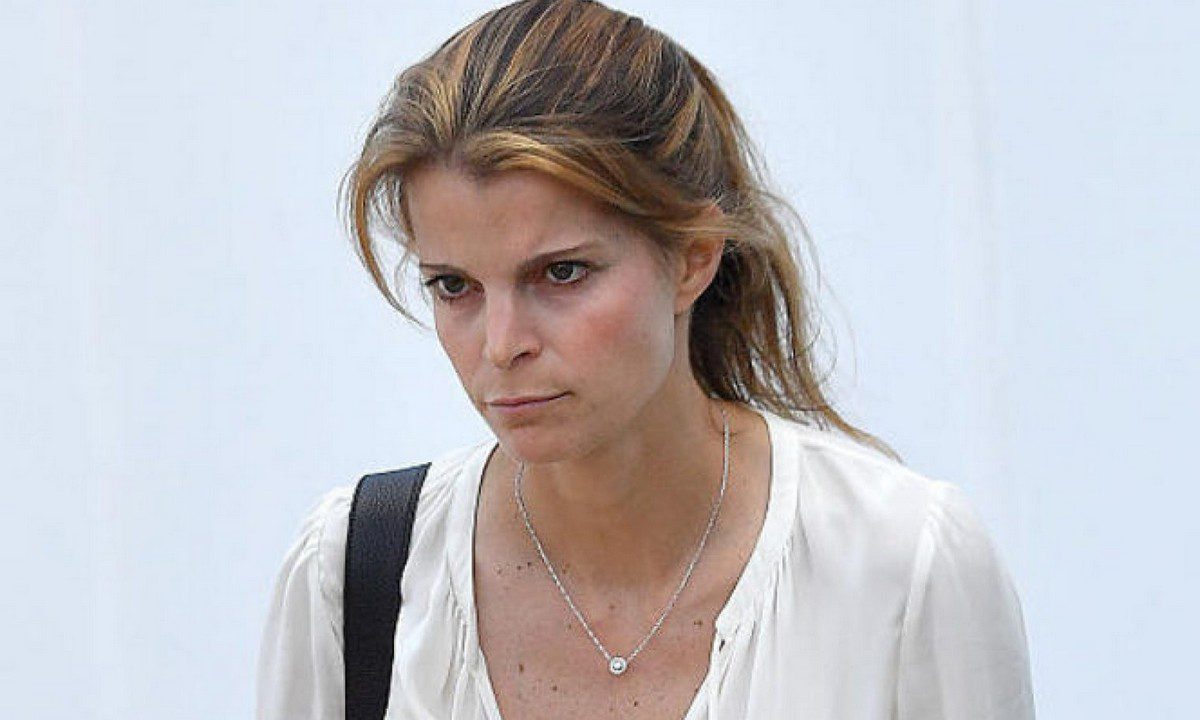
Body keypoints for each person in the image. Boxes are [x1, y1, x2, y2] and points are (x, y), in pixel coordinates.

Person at [255, 1, 1036, 718]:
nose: (501, 343)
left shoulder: (901, 566)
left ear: (694, 256)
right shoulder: (357, 575)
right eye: (454, 286)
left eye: (561, 273)